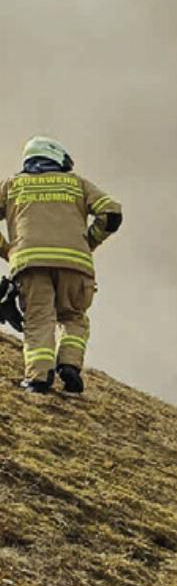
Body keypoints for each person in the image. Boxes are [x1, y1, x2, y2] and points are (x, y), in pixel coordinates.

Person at [0, 137, 122, 394]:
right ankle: (69, 366)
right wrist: (89, 243)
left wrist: (8, 251)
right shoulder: (77, 183)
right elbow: (111, 214)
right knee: (73, 317)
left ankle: (38, 379)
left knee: (38, 319)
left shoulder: (12, 186)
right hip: (75, 265)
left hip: (30, 265)